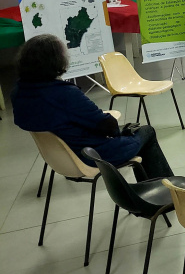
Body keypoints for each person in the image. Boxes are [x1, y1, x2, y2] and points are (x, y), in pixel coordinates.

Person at [12, 34, 173, 178]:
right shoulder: (64, 94)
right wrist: (118, 132)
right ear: (54, 61)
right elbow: (107, 125)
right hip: (91, 155)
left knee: (130, 132)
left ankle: (150, 192)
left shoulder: (19, 93)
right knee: (145, 132)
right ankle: (167, 193)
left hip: (60, 157)